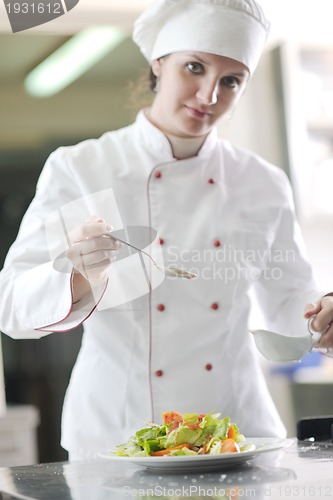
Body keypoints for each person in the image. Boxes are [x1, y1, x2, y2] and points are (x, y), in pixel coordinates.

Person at [0, 0, 332, 461]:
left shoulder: (262, 182)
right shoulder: (82, 167)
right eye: (194, 68)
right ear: (158, 62)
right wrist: (79, 276)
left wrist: (323, 316)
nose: (209, 95)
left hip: (236, 435)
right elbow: (11, 305)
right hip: (119, 437)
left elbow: (291, 301)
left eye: (231, 81)